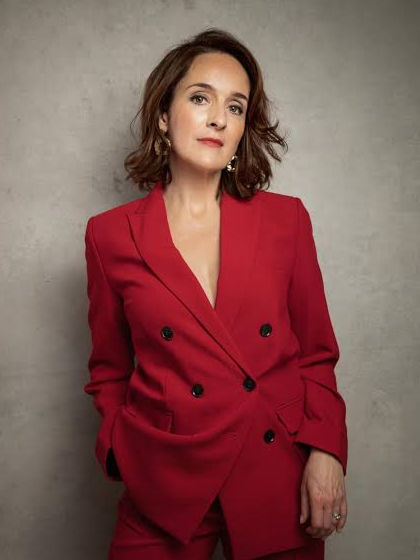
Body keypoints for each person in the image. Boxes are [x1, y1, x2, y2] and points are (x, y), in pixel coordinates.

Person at [83, 27, 348, 560]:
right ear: (164, 114)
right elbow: (109, 369)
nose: (218, 119)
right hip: (165, 475)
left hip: (276, 467)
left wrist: (326, 451)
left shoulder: (286, 221)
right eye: (200, 98)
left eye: (235, 106)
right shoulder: (109, 235)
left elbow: (316, 354)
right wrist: (121, 451)